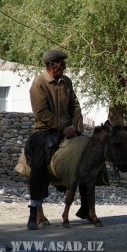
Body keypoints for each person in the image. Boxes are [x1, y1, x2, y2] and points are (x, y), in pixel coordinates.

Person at [25, 49, 83, 230]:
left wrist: (76, 127)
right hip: (45, 131)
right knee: (39, 163)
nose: (65, 66)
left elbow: (74, 105)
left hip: (67, 129)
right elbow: (41, 113)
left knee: (90, 151)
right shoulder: (39, 83)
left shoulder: (67, 81)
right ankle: (34, 211)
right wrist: (63, 127)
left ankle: (88, 208)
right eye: (62, 63)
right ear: (52, 65)